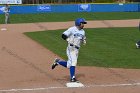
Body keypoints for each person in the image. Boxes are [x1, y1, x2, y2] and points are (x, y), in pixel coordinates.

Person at [51, 18, 87, 82]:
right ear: (78, 23)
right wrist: (67, 39)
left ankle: (57, 62)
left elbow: (83, 38)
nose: (83, 25)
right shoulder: (72, 29)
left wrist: (84, 40)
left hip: (76, 50)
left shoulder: (83, 31)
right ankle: (72, 78)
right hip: (71, 49)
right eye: (82, 23)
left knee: (69, 65)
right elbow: (63, 35)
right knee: (74, 62)